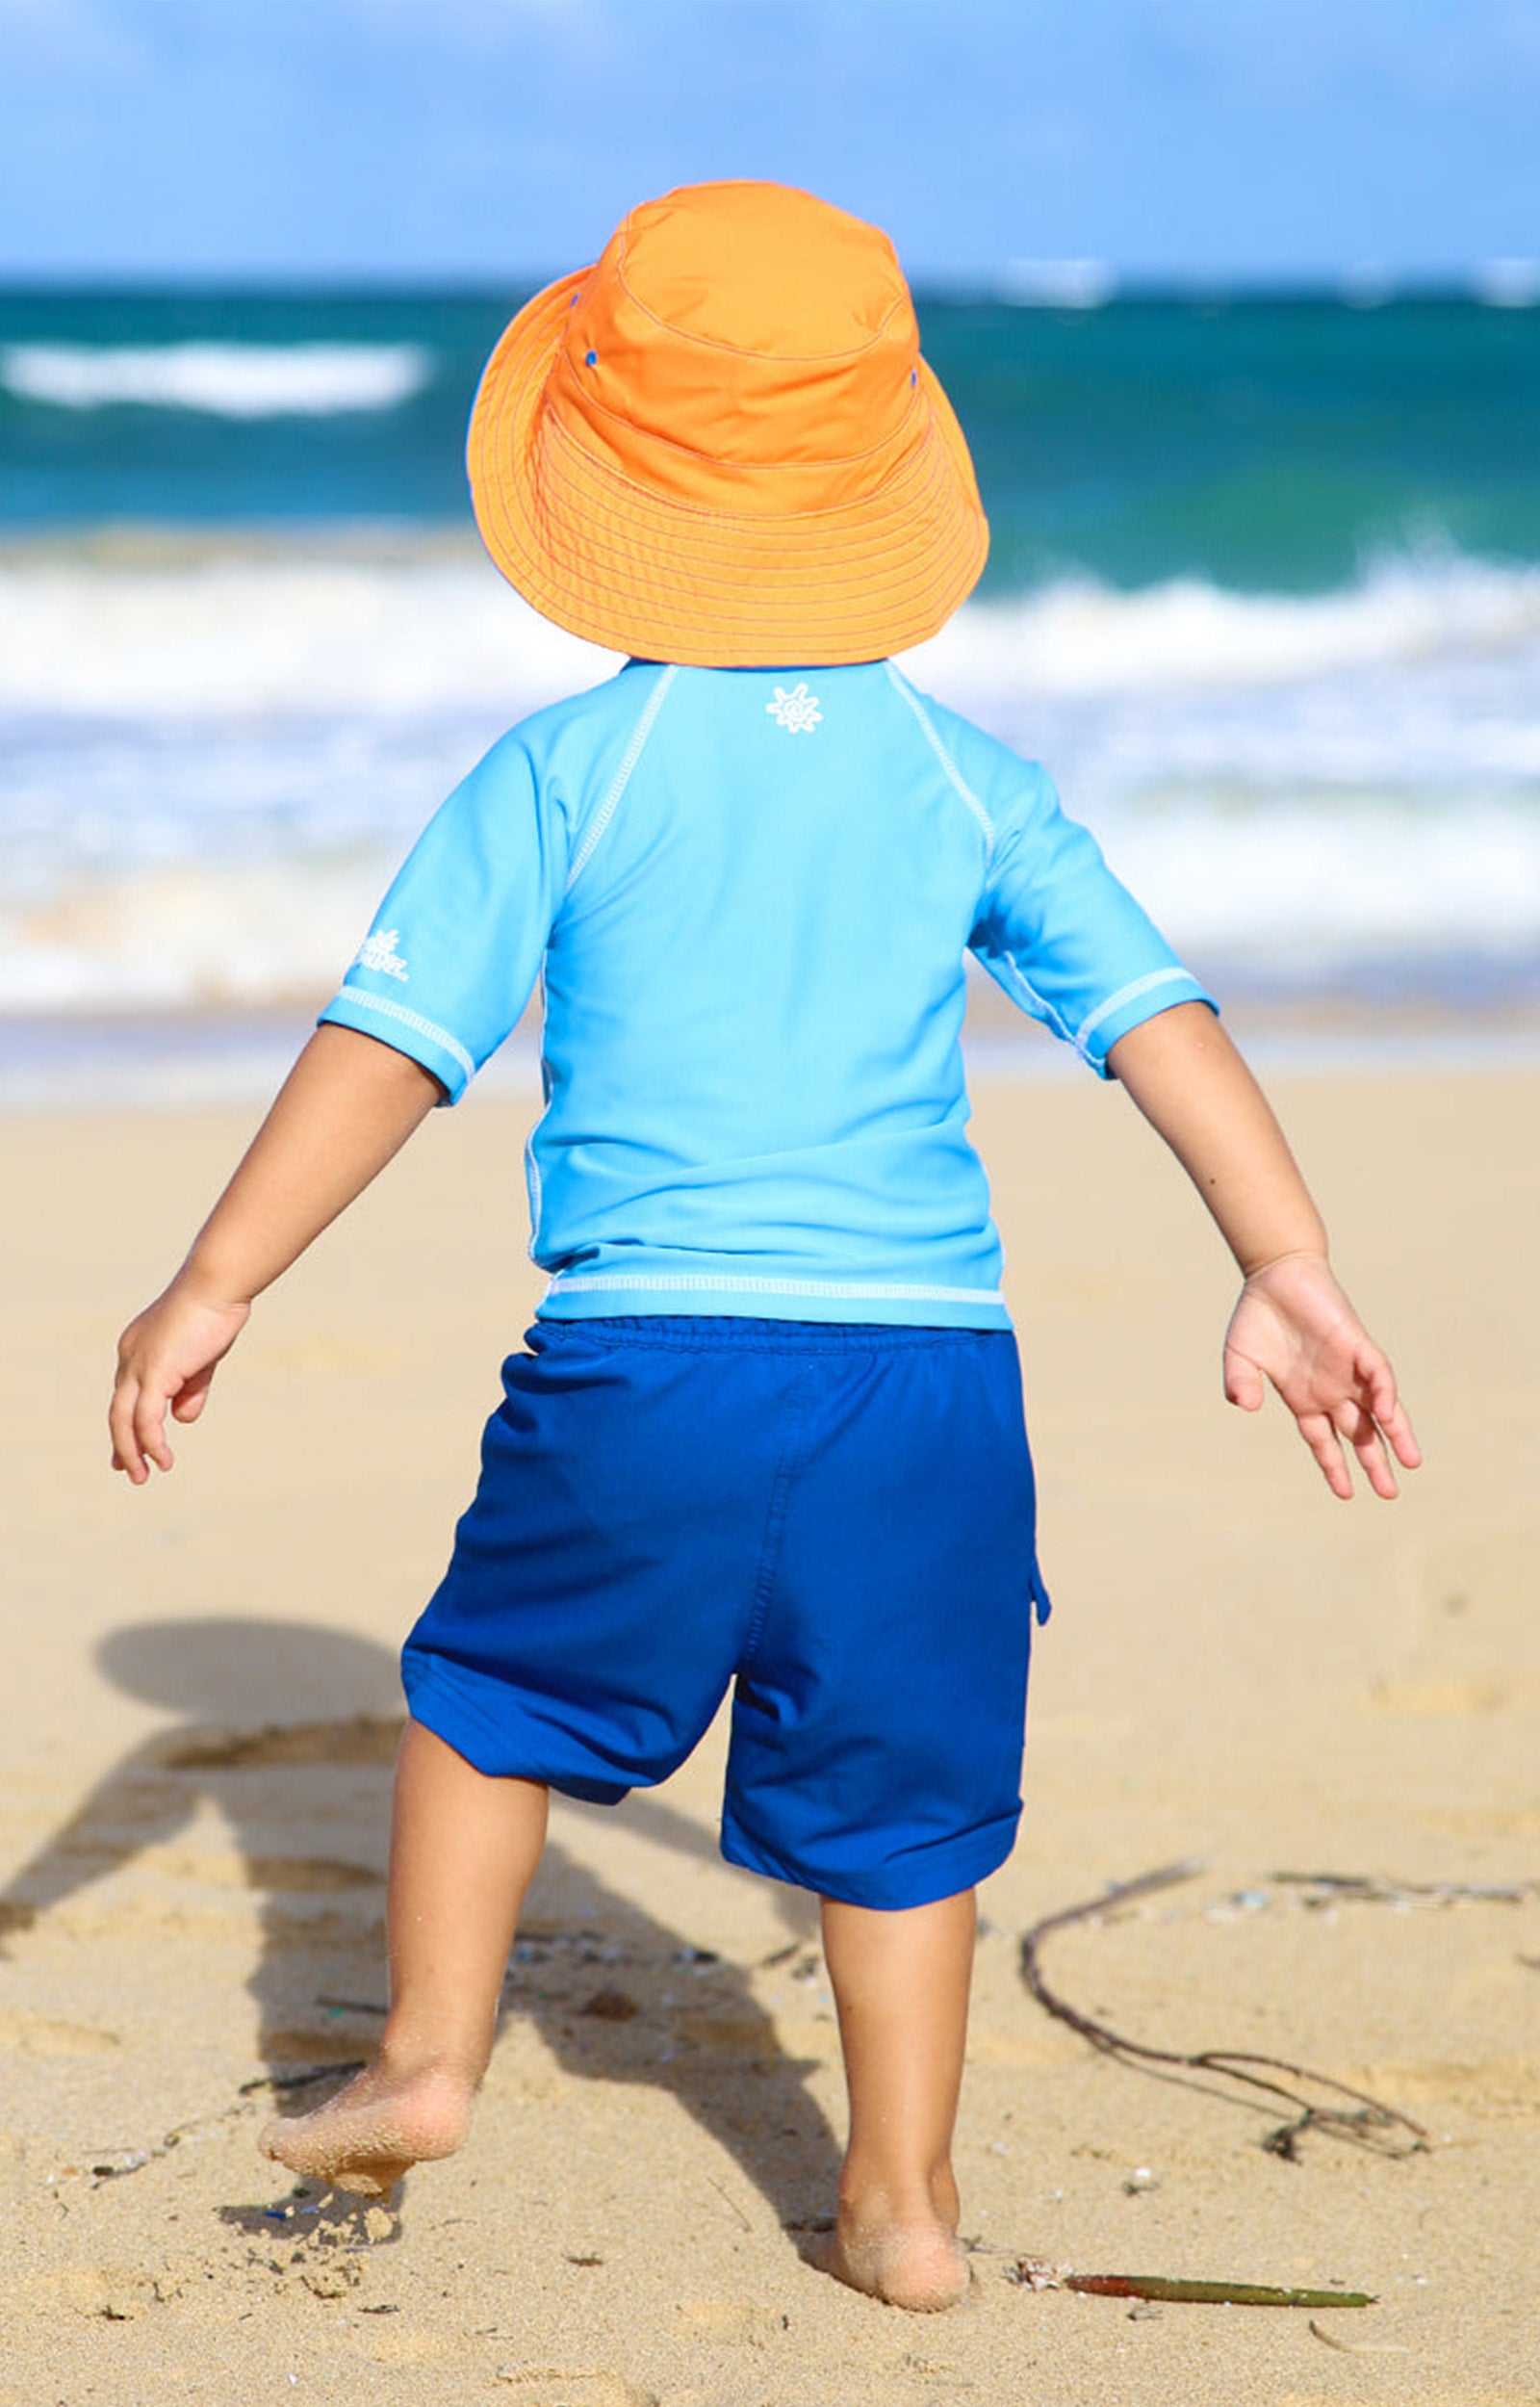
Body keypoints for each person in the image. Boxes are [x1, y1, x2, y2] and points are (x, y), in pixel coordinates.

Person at [109, 182, 1420, 2315]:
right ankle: (898, 2202)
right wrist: (1283, 1257)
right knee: (904, 1812)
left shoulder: (569, 766)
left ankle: (425, 2062)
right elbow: (1155, 1017)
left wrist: (217, 1277)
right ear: (881, 466)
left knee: (486, 1698)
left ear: (606, 479)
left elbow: (393, 1043)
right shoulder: (967, 776)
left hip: (650, 1365)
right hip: (930, 1388)